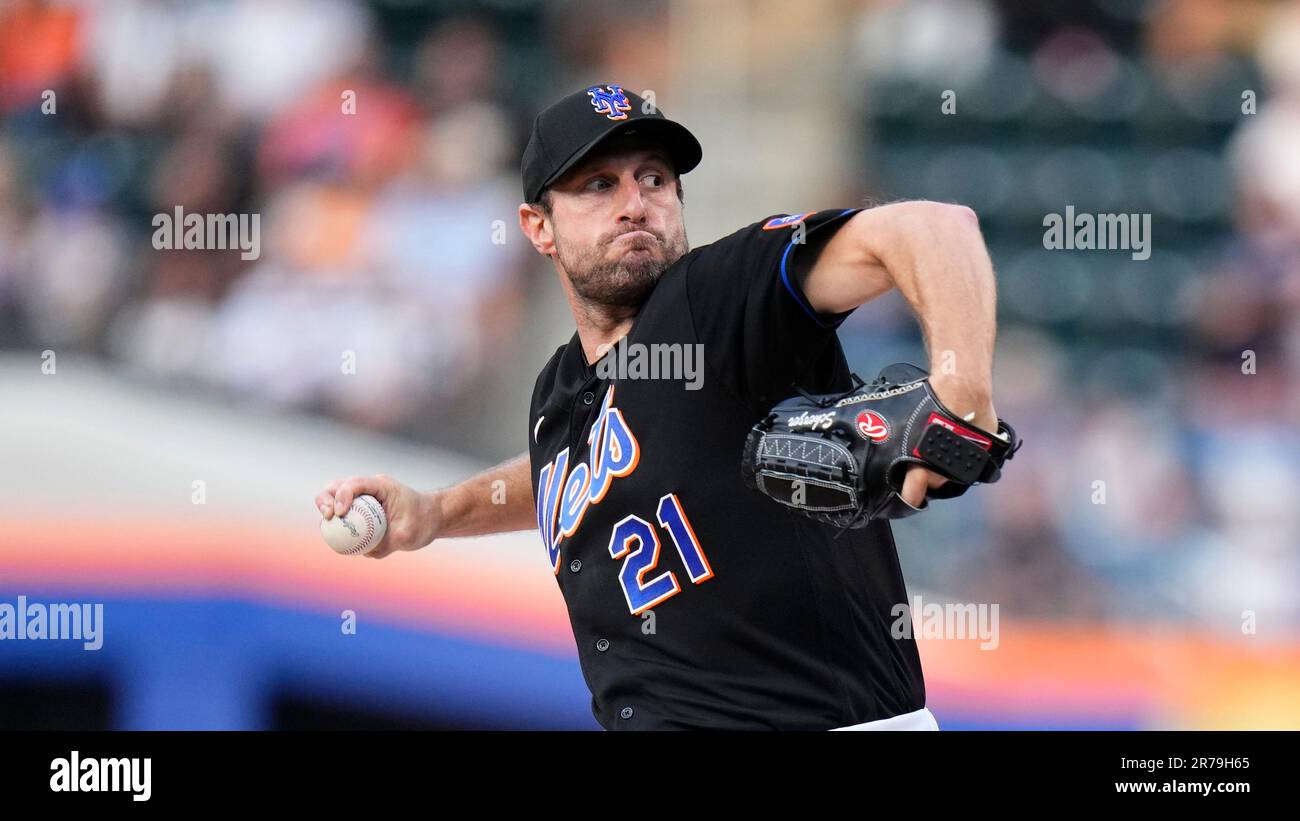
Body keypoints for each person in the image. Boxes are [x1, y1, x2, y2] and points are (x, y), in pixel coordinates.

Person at [315, 84, 1000, 730]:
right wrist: (435, 513)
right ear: (537, 226)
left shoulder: (717, 301)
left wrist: (962, 389)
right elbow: (570, 471)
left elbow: (932, 228)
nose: (635, 202)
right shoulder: (559, 392)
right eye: (598, 185)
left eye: (654, 178)